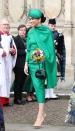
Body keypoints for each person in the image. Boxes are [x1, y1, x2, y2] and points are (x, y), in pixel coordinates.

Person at [24, 9, 57, 128]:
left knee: (39, 87)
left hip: (41, 64)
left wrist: (38, 55)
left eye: (33, 18)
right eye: (30, 18)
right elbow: (28, 48)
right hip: (32, 64)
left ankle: (40, 114)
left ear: (39, 19)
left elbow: (49, 50)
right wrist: (26, 63)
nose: (31, 20)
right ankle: (42, 113)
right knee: (37, 87)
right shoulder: (31, 32)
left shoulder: (47, 32)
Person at [13, 24, 35, 104]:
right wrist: (24, 51)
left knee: (22, 82)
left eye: (24, 30)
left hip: (25, 64)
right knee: (18, 82)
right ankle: (17, 99)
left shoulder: (26, 39)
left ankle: (20, 97)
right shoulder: (16, 39)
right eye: (21, 30)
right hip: (18, 64)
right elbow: (15, 51)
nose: (23, 32)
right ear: (18, 31)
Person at [45, 18, 66, 99]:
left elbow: (61, 47)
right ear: (48, 25)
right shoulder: (45, 34)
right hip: (46, 57)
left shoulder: (58, 35)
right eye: (51, 25)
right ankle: (47, 93)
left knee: (54, 75)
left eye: (54, 25)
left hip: (55, 57)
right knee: (47, 75)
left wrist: (60, 55)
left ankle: (52, 92)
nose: (53, 27)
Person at [0, 18, 17, 106]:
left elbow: (14, 48)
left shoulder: (10, 37)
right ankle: (1, 101)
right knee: (1, 80)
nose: (6, 26)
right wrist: (5, 51)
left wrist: (13, 51)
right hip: (1, 62)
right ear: (0, 26)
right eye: (4, 25)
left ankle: (6, 99)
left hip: (8, 61)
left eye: (7, 25)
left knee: (7, 79)